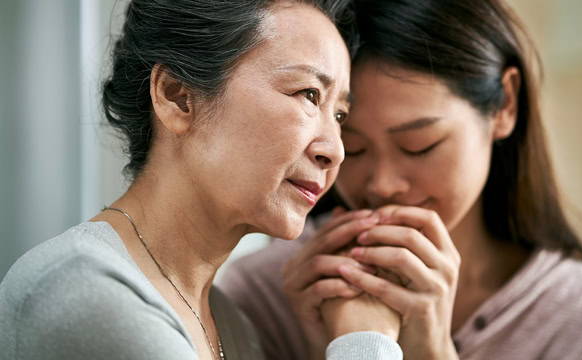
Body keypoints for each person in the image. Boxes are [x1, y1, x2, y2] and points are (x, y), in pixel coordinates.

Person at [219, 0, 582, 359]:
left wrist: (434, 352)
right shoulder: (258, 292)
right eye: (355, 146)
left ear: (505, 107)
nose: (382, 185)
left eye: (419, 145)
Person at [0, 1, 404, 359]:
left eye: (339, 116)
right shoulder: (83, 293)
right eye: (309, 94)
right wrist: (366, 341)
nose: (335, 149)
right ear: (178, 96)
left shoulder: (231, 324)